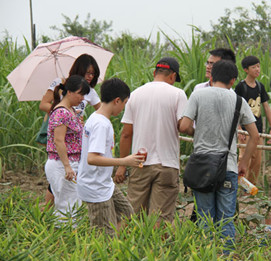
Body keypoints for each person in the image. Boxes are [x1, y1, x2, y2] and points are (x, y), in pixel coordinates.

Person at [179, 60, 258, 252]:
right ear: (233, 80)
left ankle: (207, 254)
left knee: (205, 217)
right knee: (226, 219)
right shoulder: (238, 100)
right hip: (228, 167)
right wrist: (244, 163)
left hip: (203, 168)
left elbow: (183, 126)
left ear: (212, 76)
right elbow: (255, 135)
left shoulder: (198, 94)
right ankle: (226, 255)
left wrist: (196, 133)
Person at [114, 57, 187, 226]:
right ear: (173, 76)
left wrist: (123, 165)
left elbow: (126, 134)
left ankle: (123, 249)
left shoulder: (135, 95)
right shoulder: (178, 94)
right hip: (167, 164)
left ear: (155, 73)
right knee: (160, 220)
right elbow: (183, 126)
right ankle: (157, 251)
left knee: (131, 214)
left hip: (139, 162)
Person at [77, 78, 145, 236]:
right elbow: (92, 158)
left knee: (127, 213)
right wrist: (124, 161)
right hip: (95, 186)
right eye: (124, 103)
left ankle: (114, 242)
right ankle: (105, 247)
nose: (123, 107)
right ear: (117, 100)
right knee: (104, 234)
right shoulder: (101, 124)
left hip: (104, 183)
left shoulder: (97, 118)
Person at [39, 54, 101, 207]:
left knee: (66, 189)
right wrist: (64, 114)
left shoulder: (90, 92)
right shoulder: (60, 83)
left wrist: (80, 120)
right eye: (88, 72)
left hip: (75, 138)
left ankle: (52, 216)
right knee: (61, 182)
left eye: (93, 74)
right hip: (61, 134)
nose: (90, 76)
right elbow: (43, 104)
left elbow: (101, 111)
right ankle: (46, 213)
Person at [45, 75, 90, 223]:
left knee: (71, 204)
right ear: (69, 92)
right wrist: (67, 166)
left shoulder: (70, 111)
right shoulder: (61, 112)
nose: (82, 98)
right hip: (62, 163)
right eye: (80, 93)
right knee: (68, 205)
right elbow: (59, 141)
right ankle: (65, 238)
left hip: (70, 163)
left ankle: (66, 239)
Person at [235, 56, 271, 186]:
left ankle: (250, 190)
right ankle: (239, 187)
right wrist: (239, 128)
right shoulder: (241, 86)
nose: (257, 69)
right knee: (244, 159)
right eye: (254, 67)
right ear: (246, 70)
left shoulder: (259, 86)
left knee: (257, 162)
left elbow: (266, 107)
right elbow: (236, 108)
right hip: (245, 131)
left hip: (257, 130)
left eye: (258, 66)